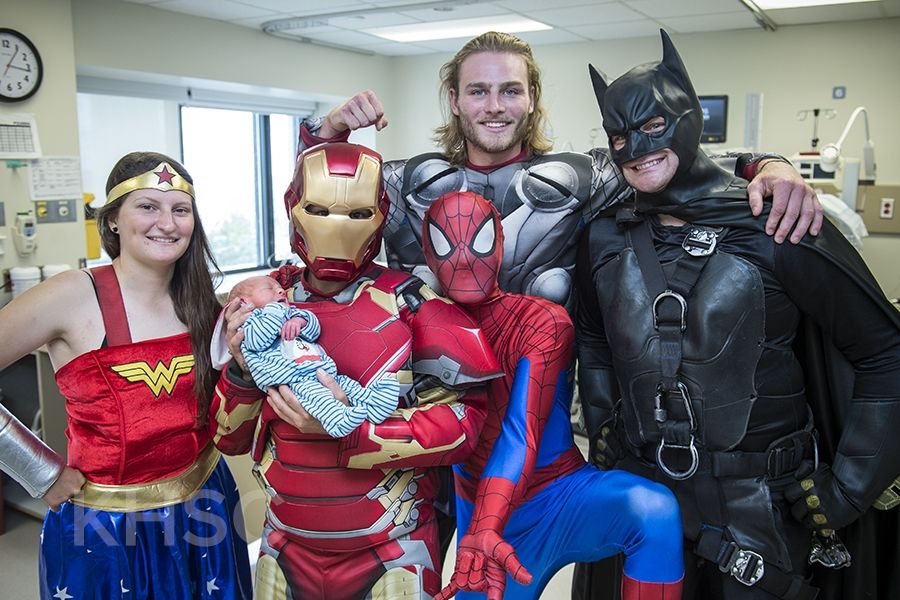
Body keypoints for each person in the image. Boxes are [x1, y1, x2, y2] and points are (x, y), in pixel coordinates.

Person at [575, 29, 900, 600]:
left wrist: (848, 488)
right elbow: (595, 341)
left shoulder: (778, 223)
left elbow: (885, 353)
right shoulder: (604, 231)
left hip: (765, 514)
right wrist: (603, 428)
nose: (637, 146)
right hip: (642, 499)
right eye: (619, 135)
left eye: (653, 126)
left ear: (690, 116)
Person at [299, 31, 822, 313]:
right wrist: (328, 133)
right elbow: (314, 216)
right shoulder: (401, 183)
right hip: (425, 400)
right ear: (455, 101)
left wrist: (771, 165)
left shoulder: (584, 179)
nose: (494, 105)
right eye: (478, 91)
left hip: (542, 404)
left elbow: (694, 167)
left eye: (510, 90)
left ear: (531, 100)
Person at [208, 142, 502, 600]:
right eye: (320, 209)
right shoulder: (263, 300)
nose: (337, 227)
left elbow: (464, 428)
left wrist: (349, 430)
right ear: (294, 208)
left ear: (381, 215)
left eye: (357, 212)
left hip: (390, 545)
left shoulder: (413, 303)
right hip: (286, 540)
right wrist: (244, 372)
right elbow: (228, 436)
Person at [0, 151, 252, 599]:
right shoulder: (71, 295)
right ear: (113, 220)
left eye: (180, 209)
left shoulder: (202, 299)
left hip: (206, 503)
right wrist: (40, 472)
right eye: (148, 207)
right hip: (107, 526)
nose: (167, 223)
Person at [422, 191, 684, 600]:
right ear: (427, 249)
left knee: (653, 511)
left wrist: (760, 166)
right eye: (445, 243)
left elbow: (520, 430)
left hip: (559, 495)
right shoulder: (417, 323)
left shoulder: (540, 319)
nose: (463, 258)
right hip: (483, 518)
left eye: (479, 240)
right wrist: (286, 292)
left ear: (500, 243)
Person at [224, 274, 399, 438]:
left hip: (320, 369)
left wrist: (299, 321)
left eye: (279, 287)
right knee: (318, 399)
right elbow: (258, 340)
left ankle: (374, 403)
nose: (280, 290)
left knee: (349, 386)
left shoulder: (289, 313)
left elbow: (314, 329)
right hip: (295, 381)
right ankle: (337, 419)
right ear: (245, 302)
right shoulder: (248, 325)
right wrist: (275, 310)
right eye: (269, 288)